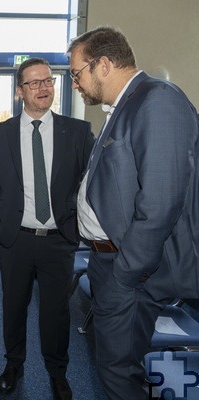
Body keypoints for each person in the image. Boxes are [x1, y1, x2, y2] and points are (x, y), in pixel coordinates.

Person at [68, 26, 199, 400]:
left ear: (104, 64)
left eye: (77, 73)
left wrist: (125, 276)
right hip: (108, 261)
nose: (75, 83)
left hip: (130, 270)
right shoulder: (127, 103)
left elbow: (160, 205)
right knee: (114, 366)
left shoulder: (158, 101)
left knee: (118, 374)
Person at [0, 57, 94, 400]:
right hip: (15, 239)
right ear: (19, 91)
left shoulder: (78, 132)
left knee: (56, 312)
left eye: (48, 81)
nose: (43, 88)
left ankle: (58, 373)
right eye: (34, 83)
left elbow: (96, 180)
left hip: (60, 239)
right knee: (14, 306)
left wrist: (80, 216)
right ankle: (14, 364)